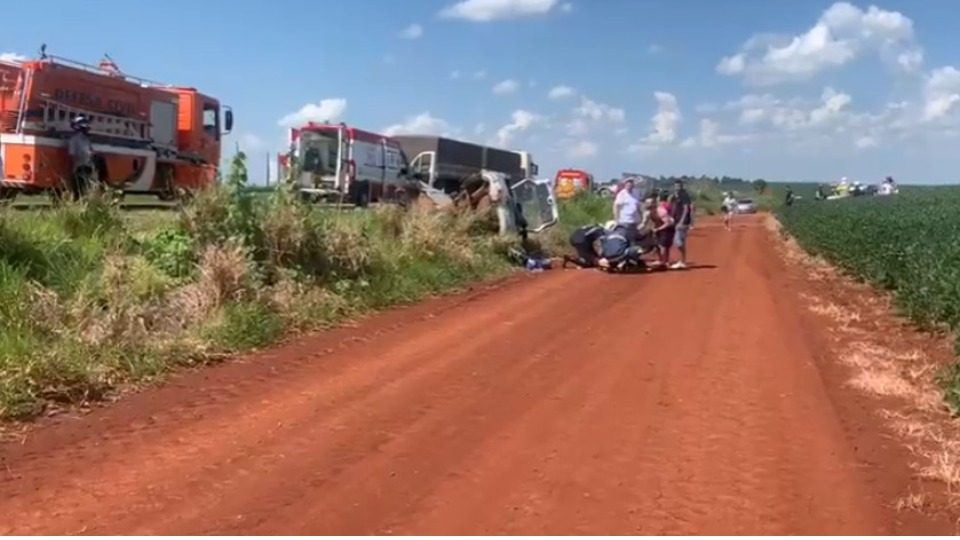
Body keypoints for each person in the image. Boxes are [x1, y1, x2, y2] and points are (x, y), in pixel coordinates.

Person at [67, 115, 95, 201]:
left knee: (86, 188)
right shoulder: (74, 140)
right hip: (80, 167)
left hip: (88, 167)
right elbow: (73, 155)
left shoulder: (86, 140)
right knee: (79, 189)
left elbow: (91, 151)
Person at [670, 179, 692, 269]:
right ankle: (682, 261)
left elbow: (686, 208)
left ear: (682, 186)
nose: (677, 187)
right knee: (679, 242)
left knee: (679, 242)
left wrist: (681, 221)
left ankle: (682, 261)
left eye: (679, 185)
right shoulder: (676, 195)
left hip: (682, 221)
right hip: (677, 220)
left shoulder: (684, 195)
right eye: (676, 185)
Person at [649, 191, 675, 268]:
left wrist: (658, 229)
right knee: (660, 245)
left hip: (666, 228)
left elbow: (668, 223)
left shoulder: (661, 209)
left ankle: (663, 262)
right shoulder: (653, 210)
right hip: (661, 228)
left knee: (663, 245)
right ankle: (663, 261)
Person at [612, 177, 641, 244]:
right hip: (624, 221)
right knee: (624, 238)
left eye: (631, 184)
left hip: (633, 221)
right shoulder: (622, 194)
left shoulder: (636, 193)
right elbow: (616, 206)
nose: (629, 186)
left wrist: (640, 215)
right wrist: (616, 219)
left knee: (633, 239)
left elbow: (638, 205)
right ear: (625, 185)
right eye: (628, 185)